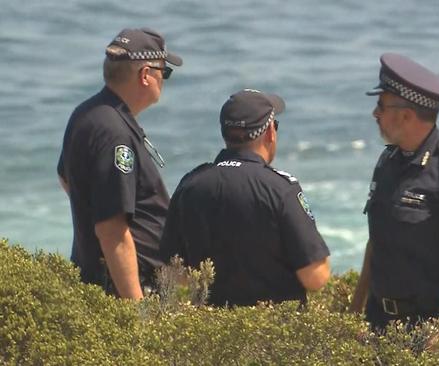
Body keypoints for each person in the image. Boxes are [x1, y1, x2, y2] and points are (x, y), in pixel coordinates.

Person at [350, 53, 439, 334]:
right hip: (379, 322)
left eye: (381, 106)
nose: (375, 114)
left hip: (429, 327)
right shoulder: (388, 161)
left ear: (406, 115)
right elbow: (377, 242)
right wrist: (354, 310)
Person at [160, 89, 331, 307]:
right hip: (276, 333)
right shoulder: (281, 189)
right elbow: (315, 277)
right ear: (270, 132)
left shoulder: (191, 185)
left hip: (206, 332)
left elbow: (174, 271)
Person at [57, 28, 182, 299]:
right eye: (165, 73)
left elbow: (65, 178)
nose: (164, 80)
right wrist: (136, 313)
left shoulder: (86, 113)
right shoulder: (115, 133)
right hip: (126, 289)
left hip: (98, 281)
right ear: (145, 75)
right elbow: (112, 231)